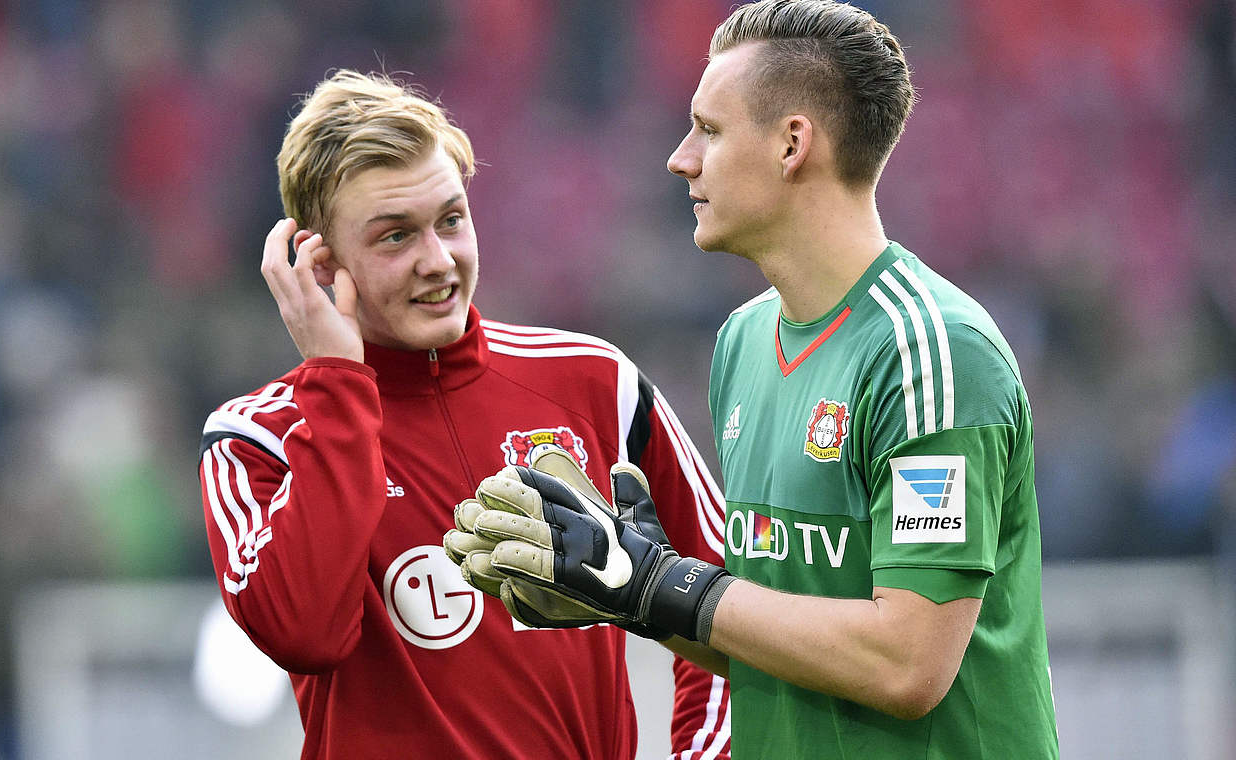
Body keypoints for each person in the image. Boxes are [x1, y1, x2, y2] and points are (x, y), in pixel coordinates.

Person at [450, 1, 1060, 757]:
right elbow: (767, 636)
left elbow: (908, 663)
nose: (681, 157)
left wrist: (662, 582)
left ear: (792, 144)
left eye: (708, 128)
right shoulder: (743, 341)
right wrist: (627, 593)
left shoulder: (929, 352)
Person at [196, 69, 731, 759]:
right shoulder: (257, 439)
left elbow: (731, 601)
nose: (438, 260)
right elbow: (304, 632)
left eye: (451, 220)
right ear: (321, 266)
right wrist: (338, 384)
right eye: (395, 237)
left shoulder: (595, 380)